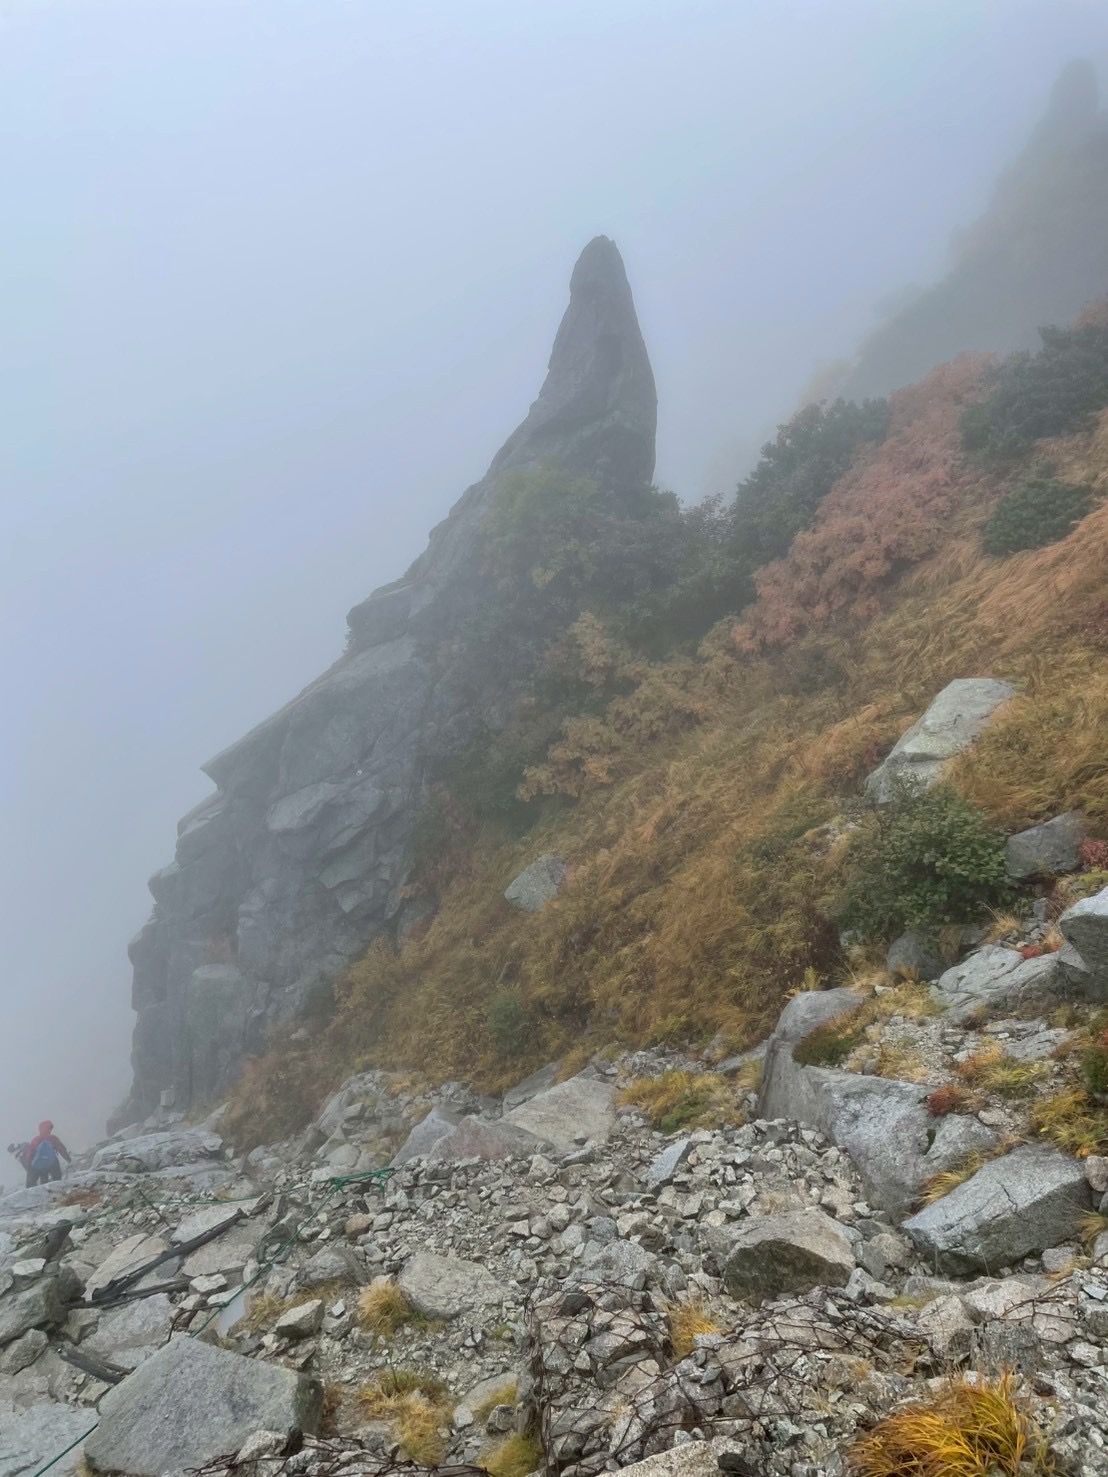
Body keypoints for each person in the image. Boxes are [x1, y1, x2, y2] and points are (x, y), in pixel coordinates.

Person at [25, 1121, 70, 1188]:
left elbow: (30, 1154)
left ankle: (37, 1193)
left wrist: (29, 1166)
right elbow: (61, 1149)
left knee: (38, 1181)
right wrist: (68, 1158)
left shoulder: (36, 1139)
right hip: (51, 1164)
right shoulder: (53, 1138)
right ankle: (58, 1187)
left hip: (38, 1165)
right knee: (56, 1177)